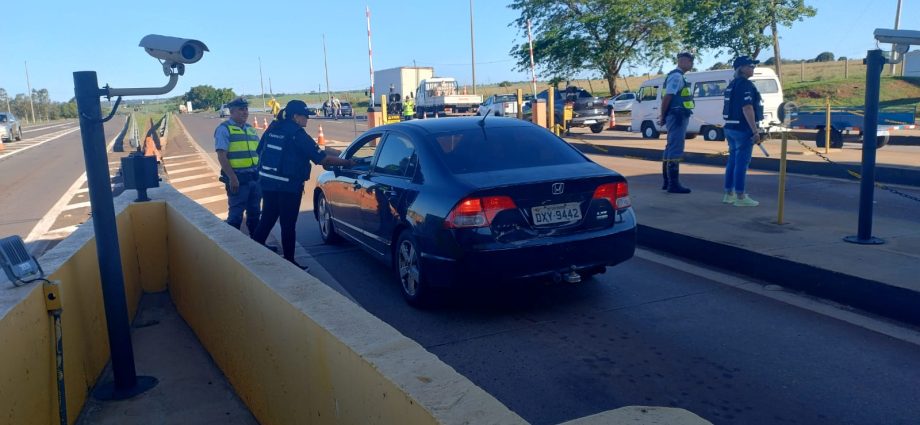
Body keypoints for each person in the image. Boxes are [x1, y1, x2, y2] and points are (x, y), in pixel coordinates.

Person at [251, 100, 355, 269]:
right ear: (295, 116)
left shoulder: (273, 127)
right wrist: (348, 163)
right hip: (288, 187)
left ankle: (254, 252)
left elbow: (260, 149)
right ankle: (290, 261)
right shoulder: (297, 134)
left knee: (268, 217)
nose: (307, 119)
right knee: (288, 224)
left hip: (268, 183)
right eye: (305, 116)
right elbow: (322, 159)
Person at [721, 56, 765, 207]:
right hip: (742, 129)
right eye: (750, 65)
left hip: (730, 127)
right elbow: (747, 108)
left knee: (732, 162)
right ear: (741, 68)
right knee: (742, 163)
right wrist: (755, 131)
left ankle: (728, 194)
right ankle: (740, 196)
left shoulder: (732, 84)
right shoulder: (746, 85)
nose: (753, 68)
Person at [214, 97, 261, 235]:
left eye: (246, 109)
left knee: (255, 214)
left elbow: (259, 153)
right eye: (241, 109)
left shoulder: (250, 129)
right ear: (232, 111)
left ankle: (258, 245)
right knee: (235, 216)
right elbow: (222, 155)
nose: (245, 112)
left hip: (254, 179)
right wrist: (232, 177)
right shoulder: (224, 129)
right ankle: (233, 249)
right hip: (238, 180)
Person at [658, 51, 696, 194]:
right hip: (677, 116)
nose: (691, 64)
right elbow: (667, 97)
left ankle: (667, 182)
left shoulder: (677, 76)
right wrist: (662, 115)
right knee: (675, 148)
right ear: (681, 61)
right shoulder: (676, 77)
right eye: (689, 61)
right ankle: (673, 184)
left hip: (676, 115)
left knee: (670, 147)